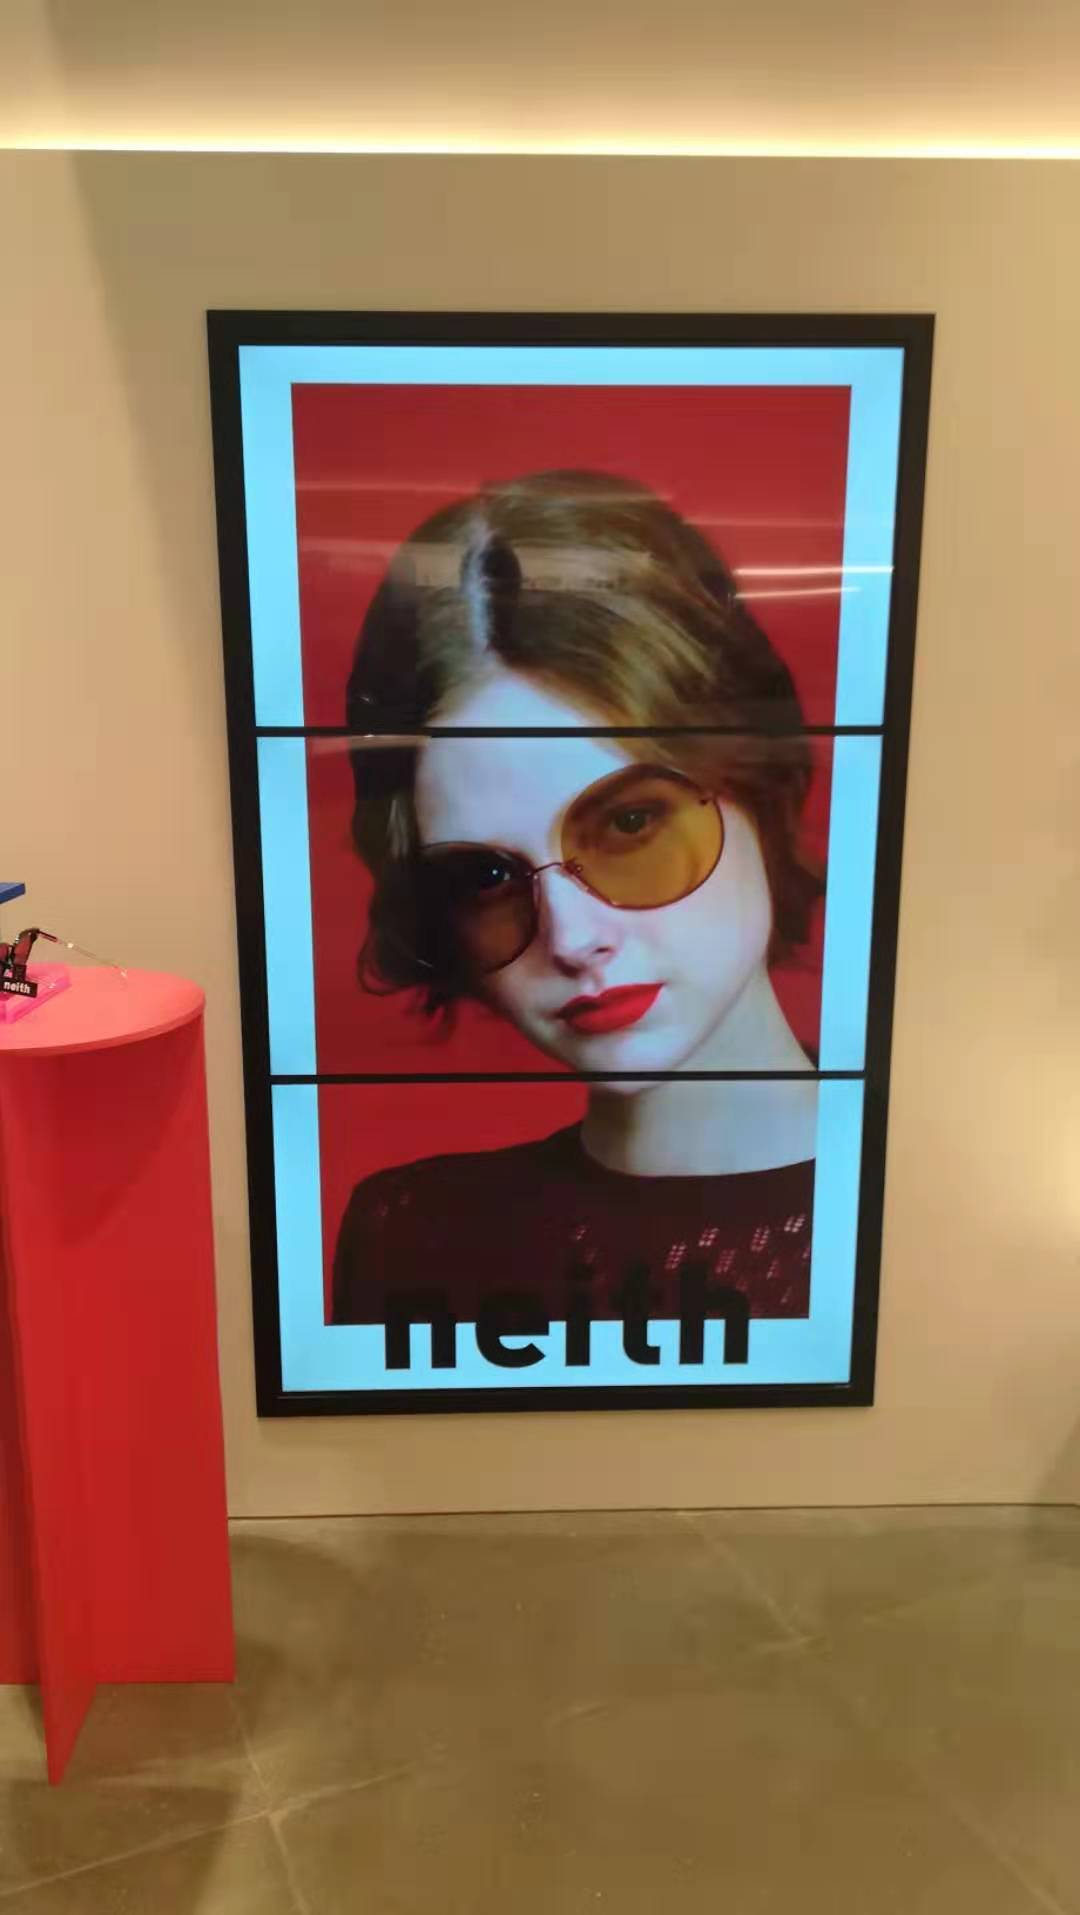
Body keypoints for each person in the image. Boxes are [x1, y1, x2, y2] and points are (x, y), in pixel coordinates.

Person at [332, 470, 823, 1328]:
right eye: (487, 878)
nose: (571, 937)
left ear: (757, 781)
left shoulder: (940, 1191)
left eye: (630, 822)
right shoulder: (411, 1233)